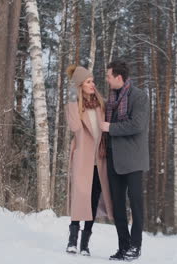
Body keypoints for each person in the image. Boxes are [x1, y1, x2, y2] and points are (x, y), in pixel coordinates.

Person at [100, 60, 150, 261]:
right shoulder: (110, 99)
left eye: (108, 76)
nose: (107, 79)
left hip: (134, 159)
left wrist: (110, 128)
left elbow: (136, 125)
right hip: (113, 158)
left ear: (119, 77)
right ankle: (124, 246)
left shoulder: (139, 97)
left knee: (136, 204)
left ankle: (135, 246)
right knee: (117, 205)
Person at [65, 65, 113, 256]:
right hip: (83, 158)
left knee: (93, 199)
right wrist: (71, 99)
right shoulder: (75, 105)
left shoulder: (101, 104)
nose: (93, 84)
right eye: (88, 81)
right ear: (80, 85)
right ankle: (72, 240)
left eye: (92, 80)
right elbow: (76, 127)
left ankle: (85, 244)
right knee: (80, 197)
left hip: (99, 160)